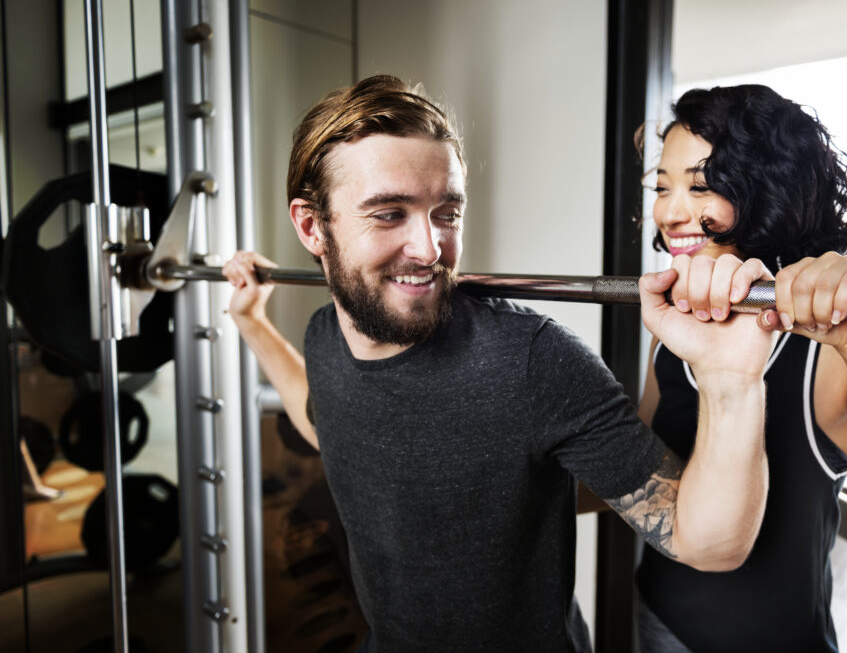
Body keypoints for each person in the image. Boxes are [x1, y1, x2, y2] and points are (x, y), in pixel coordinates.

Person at [223, 74, 781, 652]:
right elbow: (328, 423)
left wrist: (730, 377)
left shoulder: (531, 360)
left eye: (446, 213)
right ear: (313, 227)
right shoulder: (324, 338)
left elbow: (707, 541)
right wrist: (252, 323)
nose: (430, 249)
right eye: (389, 214)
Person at [632, 84, 847, 652]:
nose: (669, 213)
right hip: (657, 622)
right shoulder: (672, 333)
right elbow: (641, 473)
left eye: (699, 185)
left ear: (768, 185)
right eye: (663, 187)